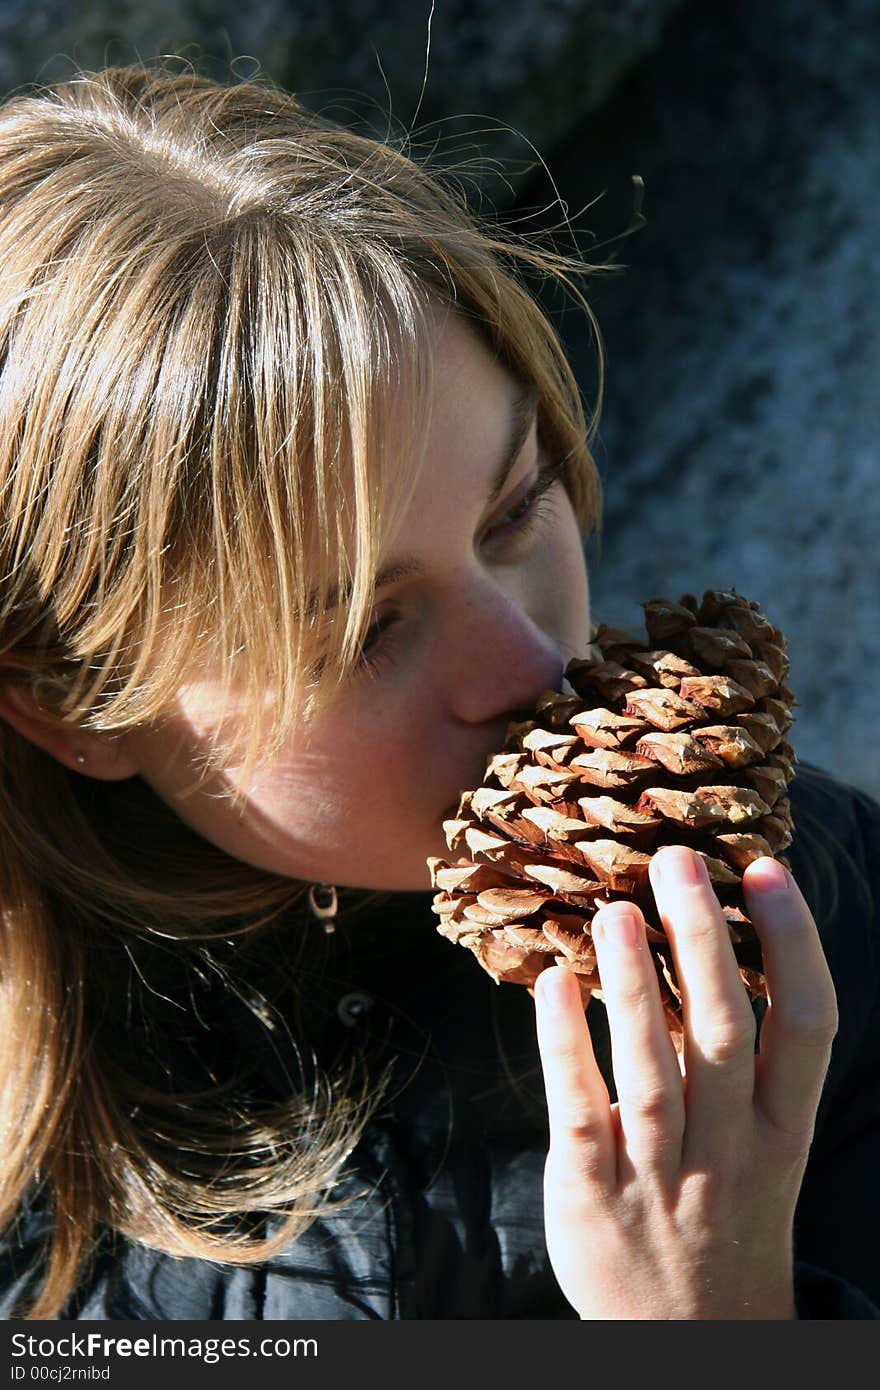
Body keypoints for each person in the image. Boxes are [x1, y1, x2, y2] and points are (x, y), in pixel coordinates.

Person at [0, 60, 877, 1323]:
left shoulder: (815, 917)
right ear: (78, 705)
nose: (528, 667)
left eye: (517, 505)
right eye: (363, 631)